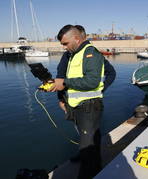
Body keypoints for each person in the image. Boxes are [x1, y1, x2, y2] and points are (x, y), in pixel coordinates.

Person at [49, 24, 106, 178]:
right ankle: (90, 162)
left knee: (87, 148)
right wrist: (62, 97)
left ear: (76, 38)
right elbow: (70, 79)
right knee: (85, 142)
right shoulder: (74, 54)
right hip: (78, 107)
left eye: (65, 43)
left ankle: (90, 172)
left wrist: (65, 83)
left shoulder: (90, 54)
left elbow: (92, 81)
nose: (63, 47)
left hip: (89, 108)